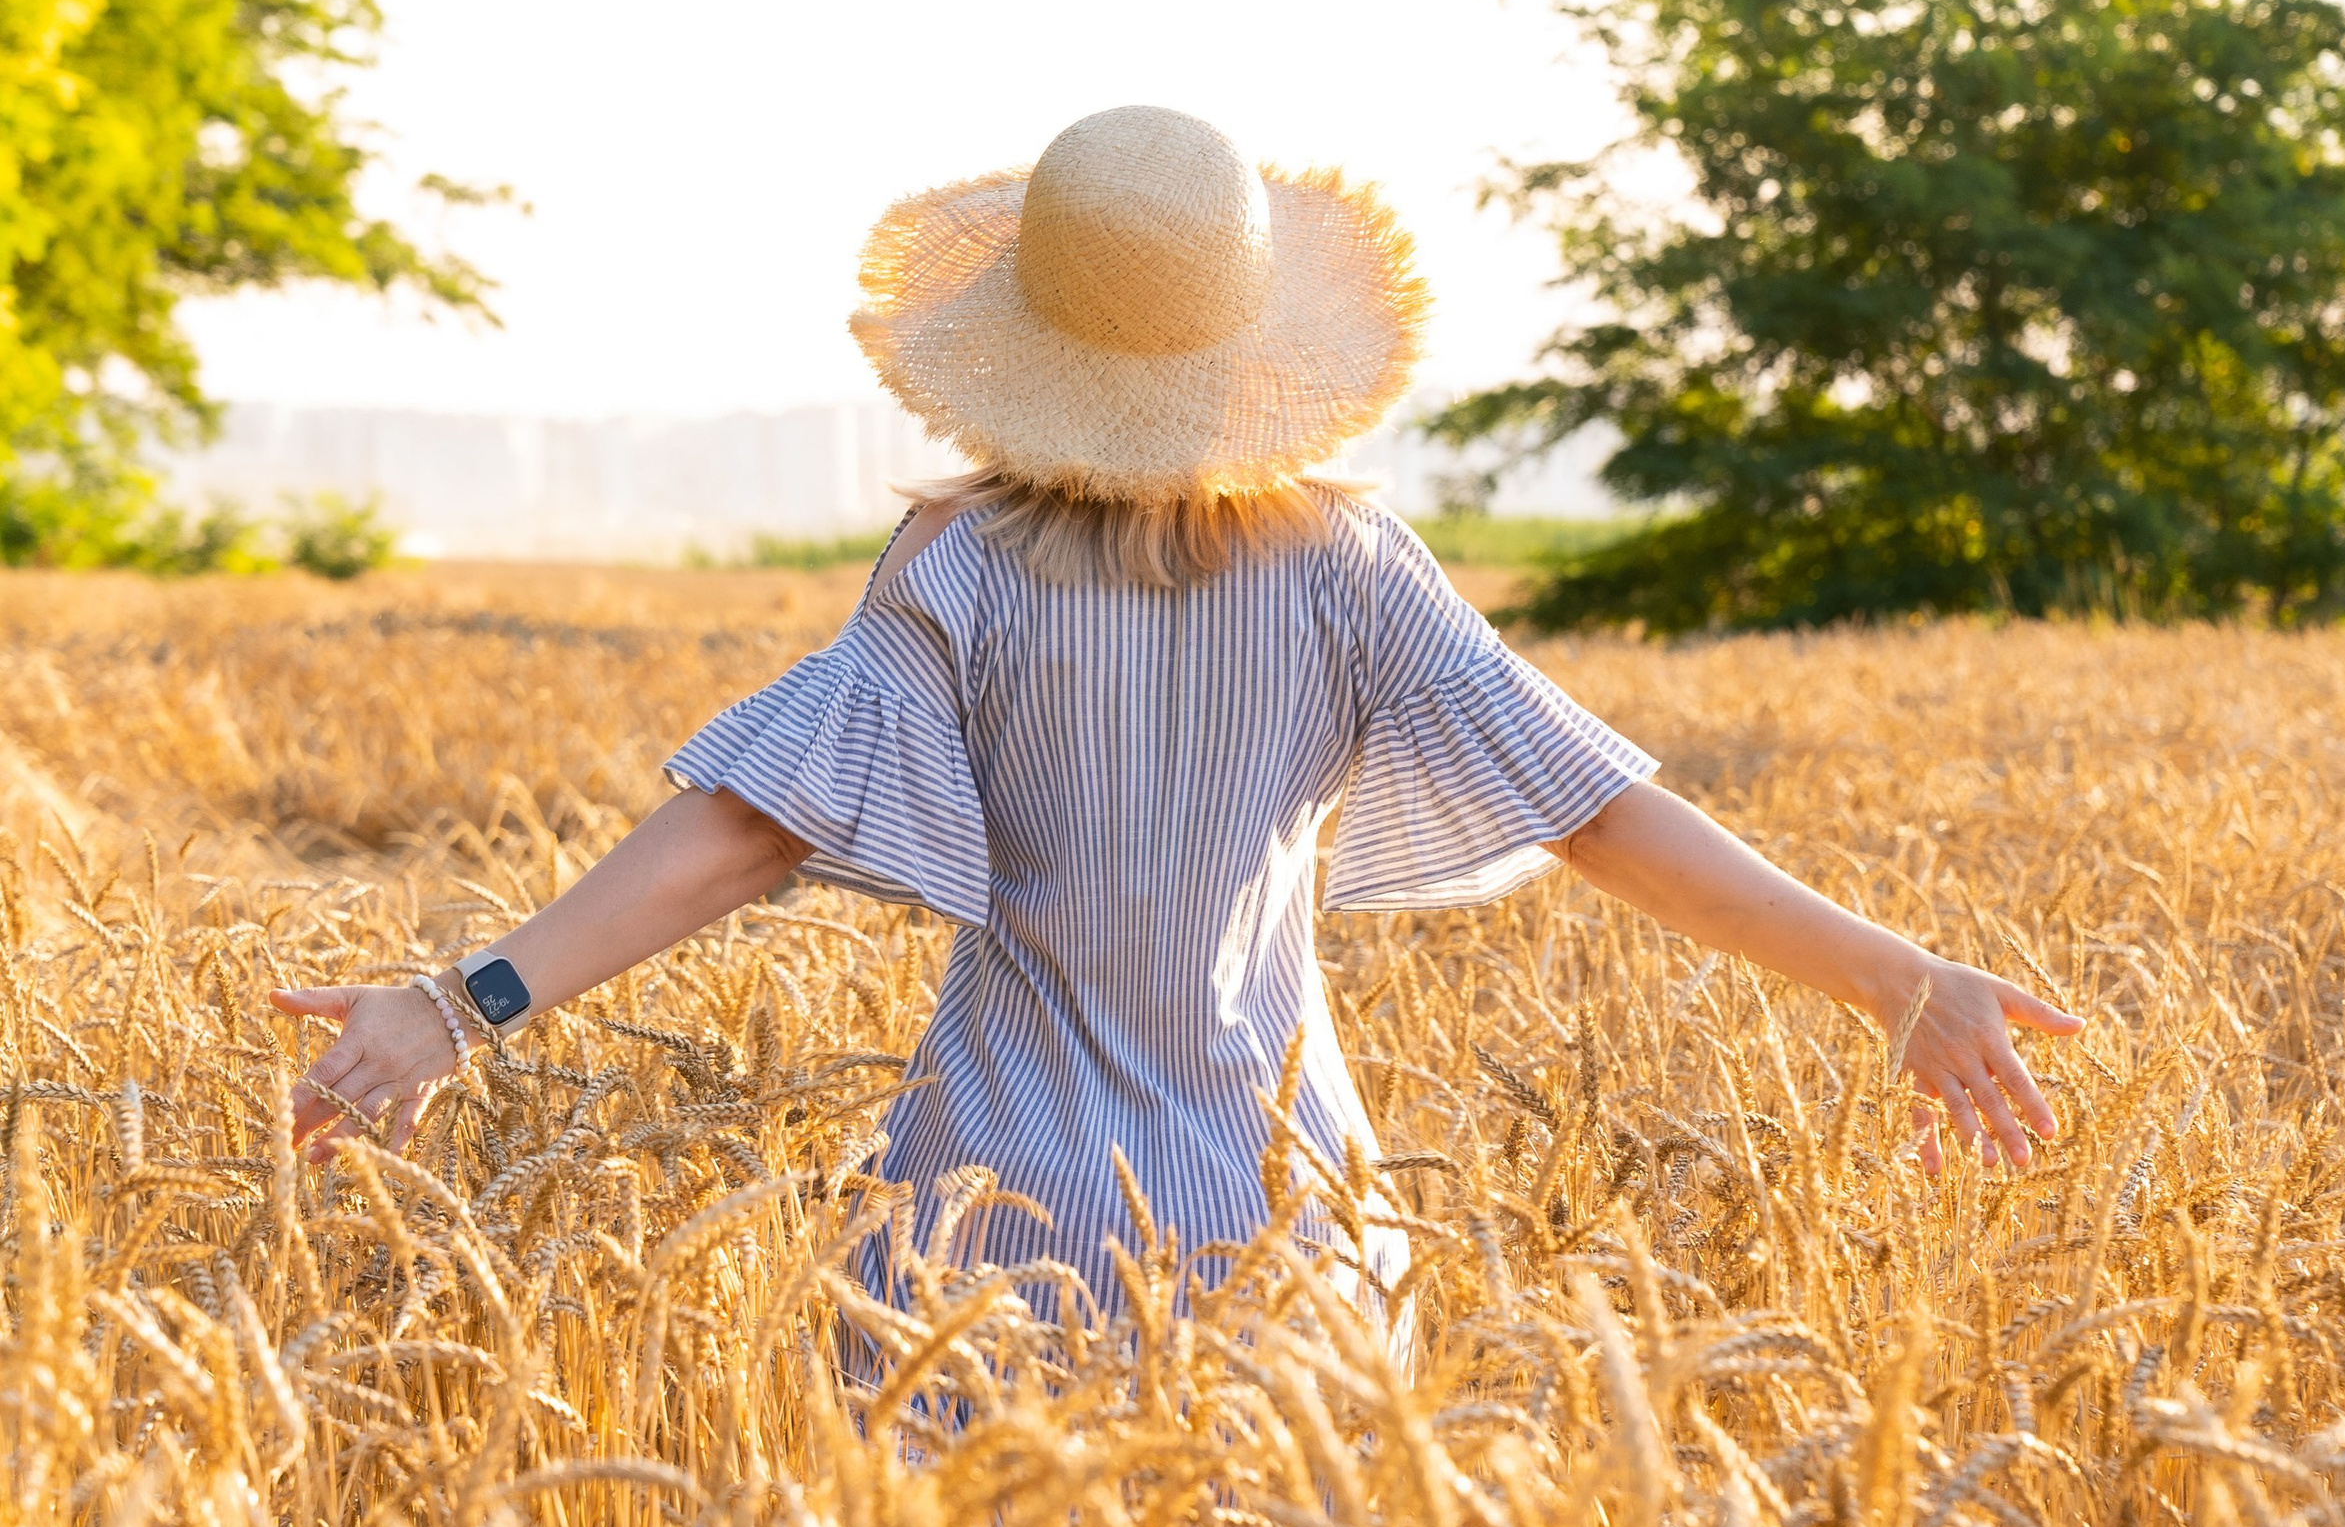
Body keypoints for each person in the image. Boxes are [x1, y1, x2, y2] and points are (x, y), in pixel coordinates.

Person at [274, 106, 2078, 1285]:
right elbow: (1599, 813)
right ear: (1254, 349)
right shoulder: (1355, 573)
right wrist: (1894, 980)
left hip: (986, 1232)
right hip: (1285, 1224)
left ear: (1027, 348)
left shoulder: (957, 572)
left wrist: (462, 1003)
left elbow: (745, 832)